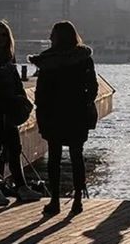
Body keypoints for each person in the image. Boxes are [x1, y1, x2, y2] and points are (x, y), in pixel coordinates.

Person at [29, 21, 99, 216]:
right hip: (76, 113)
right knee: (77, 156)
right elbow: (92, 86)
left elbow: (41, 91)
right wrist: (85, 101)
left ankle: (55, 200)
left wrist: (41, 112)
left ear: (55, 37)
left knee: (54, 158)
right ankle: (77, 200)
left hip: (53, 113)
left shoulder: (47, 60)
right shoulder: (83, 58)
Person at [0, 21, 43, 206]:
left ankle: (21, 187)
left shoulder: (9, 58)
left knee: (15, 148)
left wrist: (22, 99)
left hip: (9, 110)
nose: (1, 38)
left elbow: (15, 82)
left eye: (4, 35)